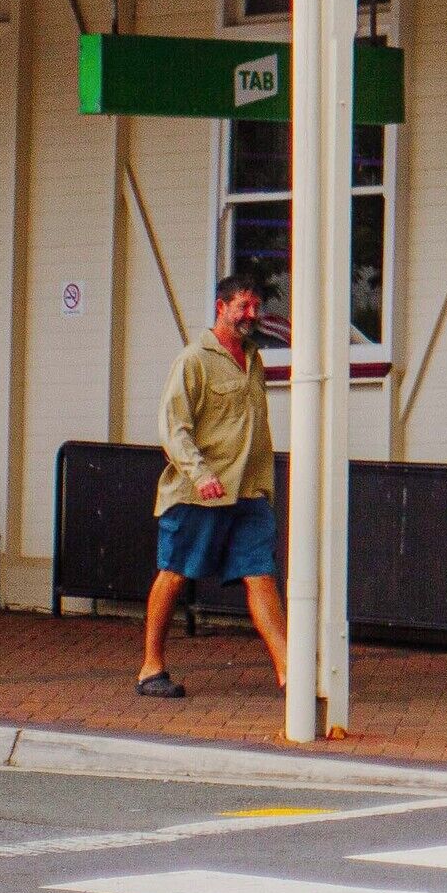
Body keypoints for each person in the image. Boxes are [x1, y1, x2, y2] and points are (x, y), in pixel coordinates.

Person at [139, 268, 288, 700]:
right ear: (221, 308)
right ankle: (151, 667)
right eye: (243, 305)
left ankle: (288, 673)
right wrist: (200, 474)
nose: (251, 313)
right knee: (175, 574)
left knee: (261, 576)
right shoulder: (194, 361)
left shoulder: (254, 359)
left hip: (250, 493)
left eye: (256, 306)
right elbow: (174, 428)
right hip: (197, 494)